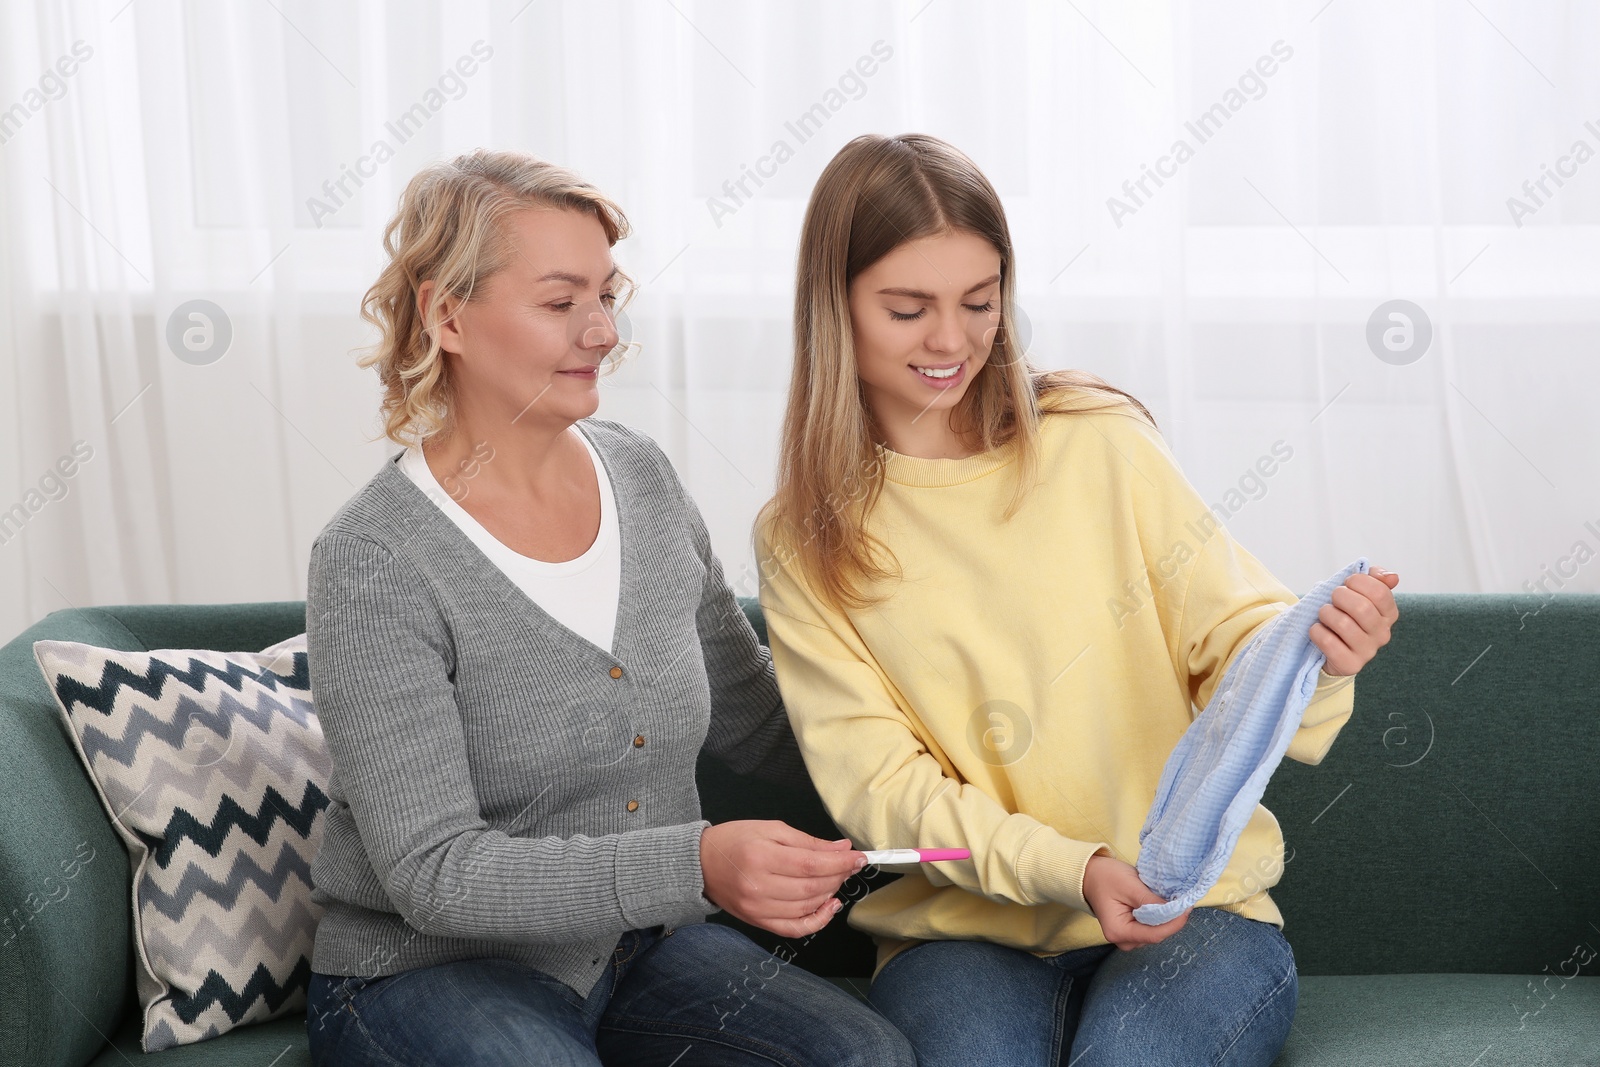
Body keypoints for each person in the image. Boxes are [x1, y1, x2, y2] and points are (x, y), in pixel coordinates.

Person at [755, 132, 1400, 1067]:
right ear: (834, 307)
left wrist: (1319, 653)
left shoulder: (1098, 441)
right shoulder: (803, 536)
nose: (951, 341)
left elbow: (1234, 637)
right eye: (907, 308)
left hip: (1192, 912)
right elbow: (885, 792)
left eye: (979, 303)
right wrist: (1072, 869)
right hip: (962, 930)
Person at [302, 148, 915, 1067]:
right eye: (560, 303)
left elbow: (752, 717)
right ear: (447, 314)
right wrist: (698, 863)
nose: (601, 333)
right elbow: (434, 873)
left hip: (648, 951)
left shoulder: (643, 478)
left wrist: (952, 772)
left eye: (606, 296)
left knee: (865, 1059)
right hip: (426, 971)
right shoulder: (372, 561)